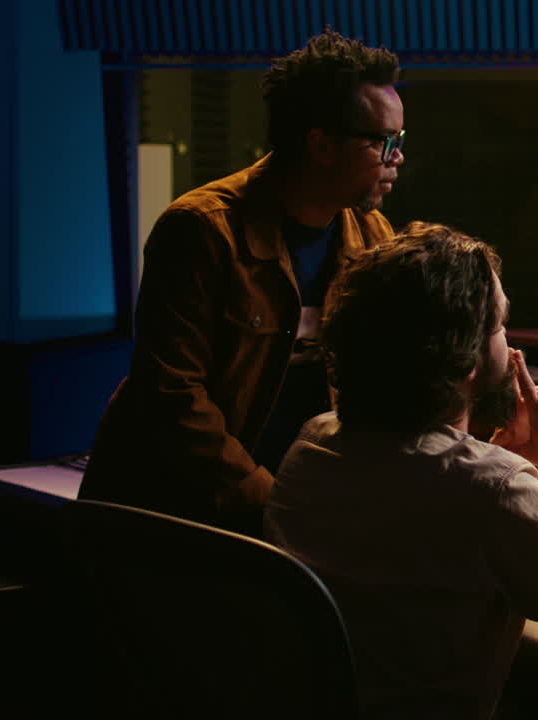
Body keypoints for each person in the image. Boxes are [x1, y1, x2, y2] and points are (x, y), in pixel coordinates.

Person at [264, 222, 538, 719]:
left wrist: (493, 455)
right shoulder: (492, 492)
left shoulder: (311, 444)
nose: (509, 338)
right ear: (469, 362)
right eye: (500, 326)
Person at [80, 29, 404, 535]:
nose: (397, 157)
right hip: (178, 510)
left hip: (293, 501)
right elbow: (173, 395)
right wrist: (268, 502)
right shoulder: (202, 229)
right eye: (383, 142)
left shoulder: (370, 235)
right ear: (320, 144)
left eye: (399, 142)